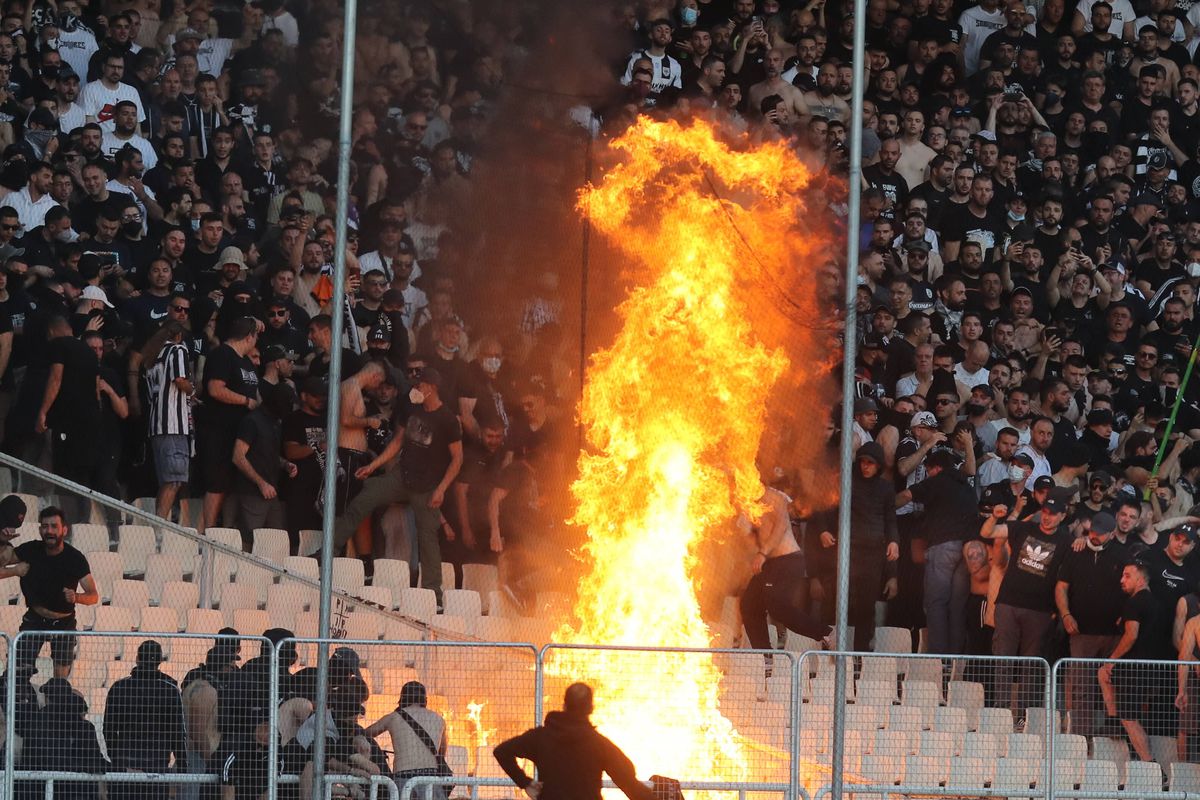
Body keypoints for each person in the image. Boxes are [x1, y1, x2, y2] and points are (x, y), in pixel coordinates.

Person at [332, 367, 462, 602]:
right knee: (365, 496)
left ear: (431, 388)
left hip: (427, 485)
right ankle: (330, 548)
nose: (415, 389)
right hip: (401, 476)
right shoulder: (411, 408)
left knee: (428, 536)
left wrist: (441, 489)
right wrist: (373, 467)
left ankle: (433, 591)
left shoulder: (448, 420)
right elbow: (397, 442)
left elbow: (457, 459)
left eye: (419, 385)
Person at [981, 491, 1073, 715]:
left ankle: (1024, 715)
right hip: (1008, 604)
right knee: (1003, 658)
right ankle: (1000, 712)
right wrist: (994, 516)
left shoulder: (1067, 540)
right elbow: (987, 532)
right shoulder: (1024, 528)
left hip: (1040, 610)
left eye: (1053, 514)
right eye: (1045, 512)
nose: (1047, 517)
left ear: (1062, 516)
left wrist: (1082, 540)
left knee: (1031, 665)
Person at [493, 683, 655, 800]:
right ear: (591, 708)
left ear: (564, 704)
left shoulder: (540, 737)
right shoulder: (599, 744)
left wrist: (525, 782)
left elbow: (502, 751)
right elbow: (626, 778)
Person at [1055, 512, 1129, 735]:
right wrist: (1066, 615)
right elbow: (1061, 587)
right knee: (1081, 685)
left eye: (1100, 533)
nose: (1094, 536)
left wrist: (1126, 616)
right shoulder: (1075, 550)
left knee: (1112, 681)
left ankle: (1112, 728)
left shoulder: (1122, 555)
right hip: (1081, 632)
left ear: (1112, 534)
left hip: (1113, 634)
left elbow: (1134, 589)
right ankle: (1080, 734)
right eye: (1092, 531)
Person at [741, 484, 834, 661]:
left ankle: (827, 633)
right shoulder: (744, 500)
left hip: (788, 559)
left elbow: (782, 525)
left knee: (777, 606)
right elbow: (749, 537)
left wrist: (762, 553)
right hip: (767, 563)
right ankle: (764, 658)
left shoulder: (773, 496)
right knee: (749, 605)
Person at [3, 505, 97, 677]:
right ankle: (19, 701)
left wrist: (76, 597)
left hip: (64, 622)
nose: (49, 531)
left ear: (64, 530)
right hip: (35, 618)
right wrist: (3, 541)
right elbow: (3, 561)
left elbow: (93, 596)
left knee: (60, 680)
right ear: (40, 530)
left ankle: (55, 701)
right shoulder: (30, 549)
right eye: (45, 526)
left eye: (54, 526)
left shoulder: (75, 558)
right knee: (17, 672)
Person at [104, 640, 188, 800]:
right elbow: (178, 732)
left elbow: (108, 729)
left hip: (125, 764)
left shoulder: (119, 688)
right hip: (157, 766)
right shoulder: (169, 690)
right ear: (159, 661)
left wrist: (116, 759)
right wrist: (182, 766)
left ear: (137, 659)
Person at [1099, 562, 1163, 761]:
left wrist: (1112, 659)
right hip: (1152, 669)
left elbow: (1131, 635)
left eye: (1127, 576)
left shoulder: (1133, 603)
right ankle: (1112, 720)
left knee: (1129, 718)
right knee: (1103, 674)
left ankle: (1151, 765)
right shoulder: (1157, 605)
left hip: (1133, 670)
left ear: (1140, 579)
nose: (1121, 580)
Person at [364, 681, 448, 799]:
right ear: (425, 699)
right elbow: (441, 753)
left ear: (402, 697)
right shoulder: (439, 719)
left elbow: (365, 734)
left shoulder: (393, 717)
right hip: (431, 779)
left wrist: (376, 752)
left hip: (403, 778)